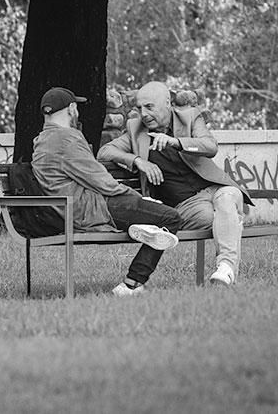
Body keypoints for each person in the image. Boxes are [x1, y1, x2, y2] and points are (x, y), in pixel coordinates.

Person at [31, 86, 184, 297]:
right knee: (171, 218)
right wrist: (140, 198)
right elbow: (102, 181)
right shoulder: (66, 138)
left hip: (72, 209)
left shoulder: (42, 140)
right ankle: (132, 284)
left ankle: (143, 225)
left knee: (153, 215)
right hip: (94, 209)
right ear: (72, 108)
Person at [98, 81, 250, 286]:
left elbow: (210, 146)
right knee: (225, 217)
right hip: (187, 206)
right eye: (139, 108)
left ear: (167, 104)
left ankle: (225, 267)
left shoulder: (190, 118)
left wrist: (176, 142)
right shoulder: (136, 129)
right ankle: (228, 261)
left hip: (216, 190)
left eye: (149, 107)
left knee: (228, 197)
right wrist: (138, 161)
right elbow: (105, 151)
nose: (143, 114)